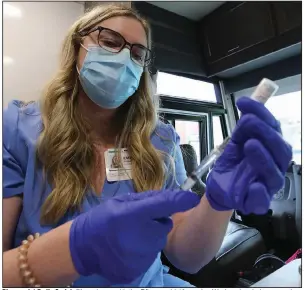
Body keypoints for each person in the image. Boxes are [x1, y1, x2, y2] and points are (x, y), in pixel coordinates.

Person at [3, 4, 292, 288]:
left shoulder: (160, 140)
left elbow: (187, 257)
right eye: (110, 42)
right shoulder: (21, 127)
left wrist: (218, 203)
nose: (124, 60)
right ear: (77, 45)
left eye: (137, 53)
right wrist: (71, 250)